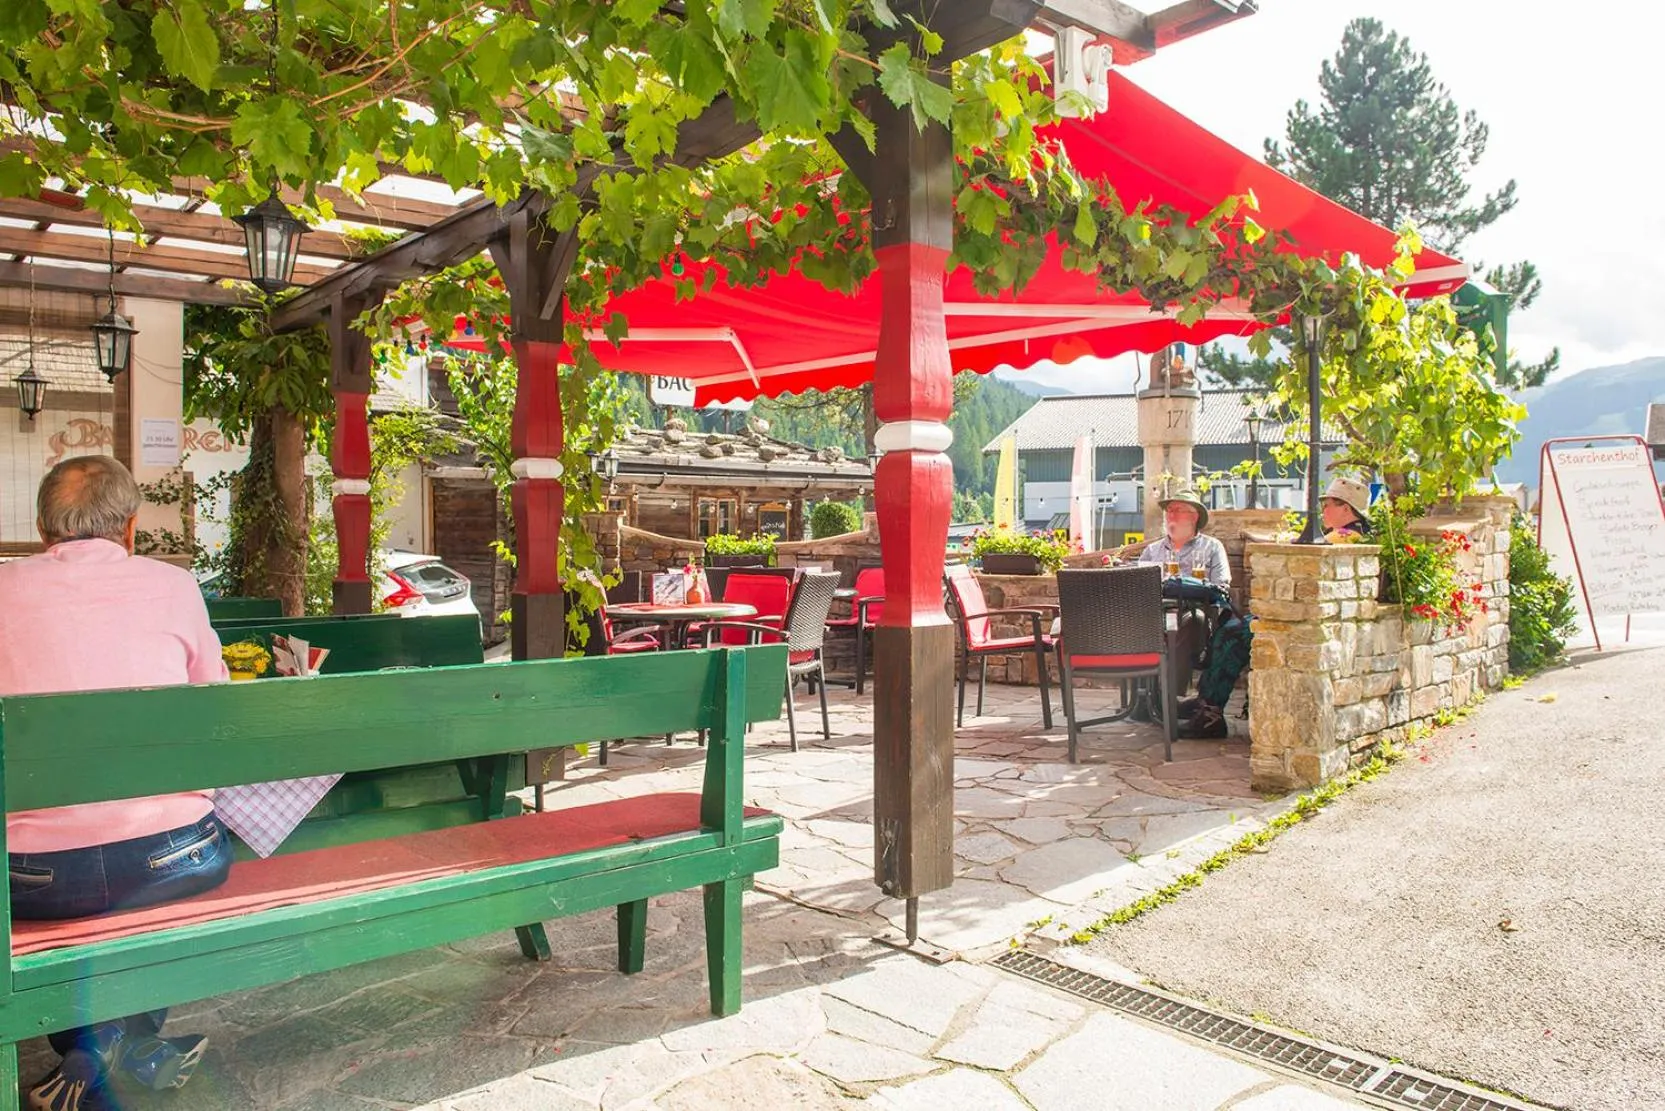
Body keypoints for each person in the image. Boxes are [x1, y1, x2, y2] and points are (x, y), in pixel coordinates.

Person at [0, 456, 229, 1111]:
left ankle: (91, 1047)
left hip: (31, 874)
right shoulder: (175, 586)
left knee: (75, 889)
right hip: (169, 858)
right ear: (129, 527)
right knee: (175, 859)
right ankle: (119, 1046)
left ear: (42, 527)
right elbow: (215, 706)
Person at [1138, 488, 1230, 711]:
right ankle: (1142, 698)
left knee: (1193, 620)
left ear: (1194, 516)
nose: (1171, 514)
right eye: (1169, 510)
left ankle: (1170, 697)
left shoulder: (1212, 547)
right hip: (1156, 613)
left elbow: (1222, 585)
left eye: (1178, 510)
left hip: (1193, 612)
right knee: (1135, 622)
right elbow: (1138, 585)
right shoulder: (1153, 550)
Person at [1320, 475, 1373, 540]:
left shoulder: (1338, 537)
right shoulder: (1368, 533)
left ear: (1346, 509)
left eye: (1326, 505)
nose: (1322, 510)